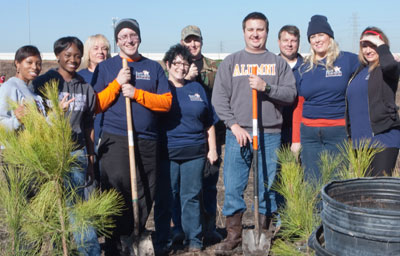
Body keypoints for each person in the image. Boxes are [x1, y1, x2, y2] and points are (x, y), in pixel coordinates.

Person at [211, 12, 296, 254]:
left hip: (269, 133)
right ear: (244, 32)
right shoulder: (231, 61)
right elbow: (219, 98)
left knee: (266, 186)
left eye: (260, 29)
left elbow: (290, 95)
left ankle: (263, 232)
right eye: (251, 29)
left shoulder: (277, 63)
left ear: (267, 32)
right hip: (238, 133)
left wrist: (265, 87)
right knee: (234, 186)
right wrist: (233, 125)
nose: (255, 34)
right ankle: (234, 236)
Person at [91, 18, 172, 255]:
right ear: (117, 42)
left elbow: (166, 102)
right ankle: (116, 240)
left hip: (147, 138)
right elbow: (96, 105)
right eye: (123, 37)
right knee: (117, 189)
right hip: (116, 138)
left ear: (139, 37)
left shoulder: (153, 67)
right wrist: (117, 83)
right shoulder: (106, 67)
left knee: (148, 187)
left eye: (132, 35)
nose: (129, 40)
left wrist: (136, 93)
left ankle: (136, 230)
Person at [33, 37, 100, 256]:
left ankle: (88, 252)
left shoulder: (84, 87)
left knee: (78, 209)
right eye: (68, 55)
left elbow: (88, 124)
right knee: (53, 209)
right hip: (49, 153)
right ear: (58, 56)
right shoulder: (43, 83)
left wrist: (90, 156)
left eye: (77, 56)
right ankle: (59, 250)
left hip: (75, 153)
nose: (73, 60)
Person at [154, 43, 218, 254]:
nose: (181, 68)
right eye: (177, 63)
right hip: (167, 152)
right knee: (167, 197)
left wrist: (212, 149)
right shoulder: (161, 88)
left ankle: (194, 240)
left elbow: (209, 121)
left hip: (195, 152)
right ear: (168, 64)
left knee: (191, 196)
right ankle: (165, 239)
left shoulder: (197, 88)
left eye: (185, 63)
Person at [168, 25, 222, 245]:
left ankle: (206, 229)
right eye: (188, 41)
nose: (192, 44)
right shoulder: (173, 66)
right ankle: (178, 230)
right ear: (182, 43)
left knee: (207, 186)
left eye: (196, 40)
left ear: (201, 42)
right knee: (176, 190)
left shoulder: (213, 67)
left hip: (209, 135)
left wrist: (213, 147)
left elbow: (221, 94)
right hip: (180, 139)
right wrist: (187, 77)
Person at [291, 15, 359, 182]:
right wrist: (295, 140)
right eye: (312, 37)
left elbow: (373, 68)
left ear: (330, 36)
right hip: (309, 134)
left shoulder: (348, 60)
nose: (317, 40)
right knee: (311, 181)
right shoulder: (304, 67)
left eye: (321, 35)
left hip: (337, 132)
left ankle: (331, 210)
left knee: (335, 183)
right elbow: (299, 105)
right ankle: (315, 210)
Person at [345, 27, 400, 176]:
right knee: (364, 194)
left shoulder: (387, 69)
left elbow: (390, 64)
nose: (368, 50)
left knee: (379, 192)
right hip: (359, 142)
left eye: (373, 45)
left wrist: (381, 45)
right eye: (364, 46)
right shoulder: (359, 72)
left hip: (383, 139)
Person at [0, 45, 44, 131]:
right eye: (29, 62)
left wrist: (58, 111)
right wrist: (17, 121)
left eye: (38, 64)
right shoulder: (9, 87)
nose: (35, 67)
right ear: (17, 63)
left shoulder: (31, 91)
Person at [278, 25, 303, 146]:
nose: (289, 44)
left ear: (298, 43)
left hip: (302, 131)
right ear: (279, 42)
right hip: (276, 131)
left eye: (293, 41)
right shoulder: (270, 67)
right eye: (285, 40)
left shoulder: (308, 68)